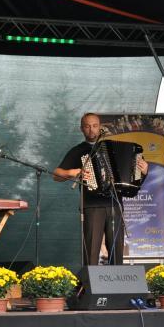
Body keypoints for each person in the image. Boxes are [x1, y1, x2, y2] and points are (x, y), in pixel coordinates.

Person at [53, 113, 148, 265]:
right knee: (91, 252)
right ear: (82, 129)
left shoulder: (111, 146)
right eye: (87, 126)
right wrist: (73, 172)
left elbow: (133, 176)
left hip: (115, 205)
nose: (91, 129)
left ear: (100, 127)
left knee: (117, 254)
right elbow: (56, 174)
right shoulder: (79, 150)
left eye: (95, 126)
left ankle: (118, 280)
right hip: (92, 206)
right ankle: (90, 280)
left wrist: (143, 171)